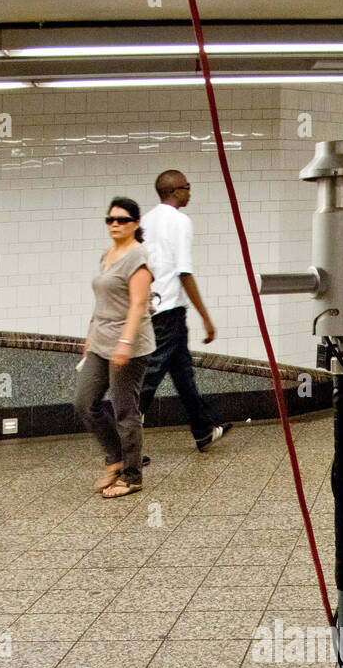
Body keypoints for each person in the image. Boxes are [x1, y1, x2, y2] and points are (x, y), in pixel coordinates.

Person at [140, 170, 231, 453]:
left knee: (182, 373)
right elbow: (184, 273)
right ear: (176, 191)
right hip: (169, 310)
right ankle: (122, 441)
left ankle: (203, 431)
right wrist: (206, 317)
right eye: (188, 188)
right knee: (149, 377)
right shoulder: (180, 221)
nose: (190, 193)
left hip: (155, 306)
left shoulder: (145, 220)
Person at [75, 196, 154, 499]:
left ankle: (132, 477)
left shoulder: (138, 257)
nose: (115, 225)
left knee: (125, 411)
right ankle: (115, 457)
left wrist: (124, 343)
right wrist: (89, 336)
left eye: (122, 220)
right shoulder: (107, 254)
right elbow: (102, 302)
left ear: (135, 224)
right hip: (100, 341)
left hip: (129, 345)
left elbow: (138, 304)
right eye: (110, 220)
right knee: (84, 403)